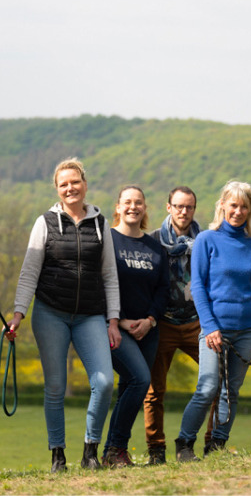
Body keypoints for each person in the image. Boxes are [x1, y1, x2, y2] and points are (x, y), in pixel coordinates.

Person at [7, 158, 121, 472]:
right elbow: (29, 272)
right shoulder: (44, 222)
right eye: (63, 184)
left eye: (75, 182)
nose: (70, 188)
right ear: (57, 190)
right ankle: (58, 455)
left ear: (84, 184)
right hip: (50, 313)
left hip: (90, 315)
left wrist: (113, 320)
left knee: (105, 382)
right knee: (55, 386)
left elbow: (109, 274)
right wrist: (18, 314)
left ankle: (90, 451)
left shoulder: (101, 224)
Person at [175, 180, 251, 461]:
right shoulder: (206, 239)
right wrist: (210, 327)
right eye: (233, 205)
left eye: (244, 206)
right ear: (222, 206)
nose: (238, 211)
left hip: (249, 329)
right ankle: (184, 444)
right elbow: (198, 287)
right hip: (215, 328)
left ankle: (216, 446)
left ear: (250, 210)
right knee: (207, 387)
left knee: (232, 392)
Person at [143, 186, 211, 465]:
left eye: (189, 207)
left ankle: (210, 444)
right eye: (179, 206)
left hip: (198, 323)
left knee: (216, 383)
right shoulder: (152, 241)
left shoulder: (206, 240)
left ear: (195, 209)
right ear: (168, 207)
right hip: (164, 324)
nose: (184, 212)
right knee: (154, 390)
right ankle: (156, 449)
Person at [102, 186, 169, 467]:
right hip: (116, 327)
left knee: (131, 384)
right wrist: (120, 320)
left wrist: (151, 320)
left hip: (148, 330)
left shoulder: (155, 248)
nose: (133, 206)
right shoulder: (107, 241)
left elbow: (163, 291)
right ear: (117, 207)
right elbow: (100, 284)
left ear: (145, 208)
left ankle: (112, 452)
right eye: (127, 202)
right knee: (141, 380)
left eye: (138, 202)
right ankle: (116, 447)